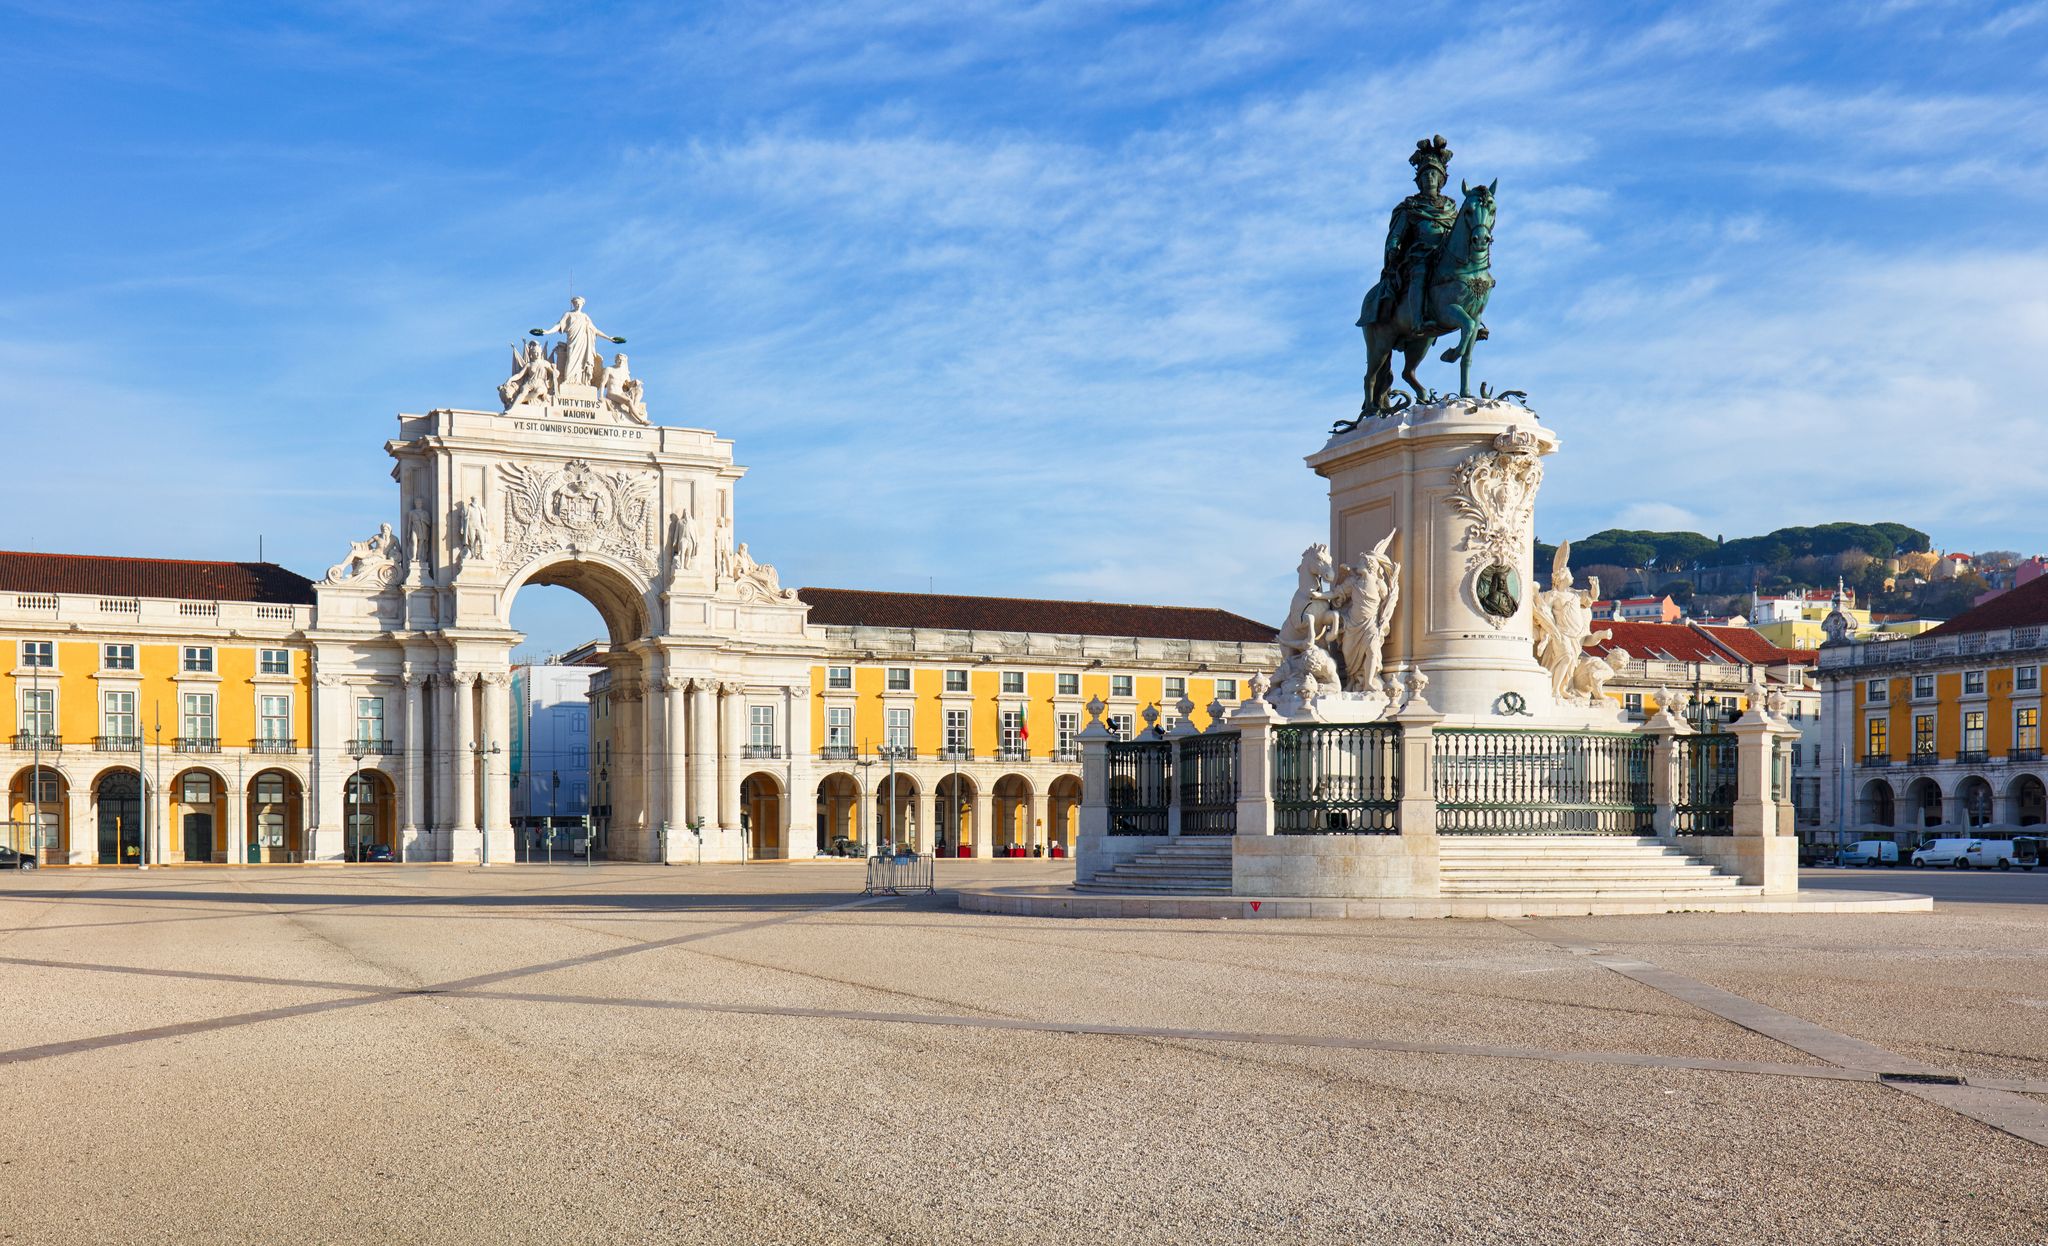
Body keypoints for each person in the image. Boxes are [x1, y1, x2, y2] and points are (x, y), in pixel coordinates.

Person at [1359, 136, 1457, 336]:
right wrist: (1393, 248)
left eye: (1433, 173)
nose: (1429, 177)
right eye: (1425, 174)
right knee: (1420, 272)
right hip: (1420, 255)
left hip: (1445, 255)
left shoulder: (1452, 209)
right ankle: (1418, 320)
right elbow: (1396, 234)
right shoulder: (1410, 207)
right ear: (1419, 180)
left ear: (1441, 179)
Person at [530, 296, 624, 388]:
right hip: (573, 341)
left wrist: (609, 338)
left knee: (582, 362)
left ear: (583, 304)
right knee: (571, 359)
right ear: (573, 304)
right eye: (576, 303)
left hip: (583, 343)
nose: (578, 305)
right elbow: (559, 325)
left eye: (580, 303)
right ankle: (568, 380)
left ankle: (581, 382)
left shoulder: (585, 317)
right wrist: (547, 331)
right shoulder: (568, 314)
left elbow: (595, 330)